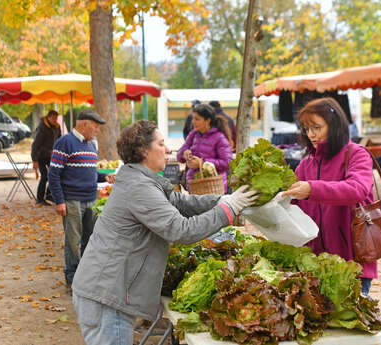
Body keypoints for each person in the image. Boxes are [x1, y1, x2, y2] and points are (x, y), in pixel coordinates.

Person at [71, 120, 259, 345]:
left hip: (106, 289)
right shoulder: (139, 187)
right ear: (143, 150)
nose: (168, 150)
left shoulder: (141, 179)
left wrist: (223, 199)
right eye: (161, 144)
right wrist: (228, 209)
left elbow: (181, 202)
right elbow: (181, 230)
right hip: (106, 296)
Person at [281, 97, 377, 295]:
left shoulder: (357, 154)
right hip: (316, 266)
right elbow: (291, 209)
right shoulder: (305, 165)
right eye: (307, 129)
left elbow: (357, 189)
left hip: (353, 263)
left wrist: (312, 190)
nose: (311, 135)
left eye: (317, 127)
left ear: (334, 126)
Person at [48, 109, 109, 290]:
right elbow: (54, 174)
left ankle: (87, 275)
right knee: (73, 241)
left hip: (91, 200)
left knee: (90, 239)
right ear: (83, 124)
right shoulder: (64, 143)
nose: (97, 130)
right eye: (95, 127)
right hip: (72, 201)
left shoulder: (91, 145)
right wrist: (59, 201)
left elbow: (89, 172)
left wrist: (105, 177)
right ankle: (72, 278)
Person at [177, 104, 233, 191]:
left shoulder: (219, 138)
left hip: (214, 189)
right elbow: (179, 156)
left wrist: (202, 163)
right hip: (195, 187)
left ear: (207, 121)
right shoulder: (193, 134)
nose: (193, 122)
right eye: (193, 118)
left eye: (197, 119)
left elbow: (227, 163)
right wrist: (184, 153)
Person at [31, 110, 61, 206]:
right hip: (41, 156)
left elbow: (59, 139)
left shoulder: (57, 127)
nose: (55, 120)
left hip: (52, 155)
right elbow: (35, 144)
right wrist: (34, 160)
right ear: (49, 117)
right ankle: (39, 199)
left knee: (54, 175)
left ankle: (49, 194)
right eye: (53, 118)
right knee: (44, 176)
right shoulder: (42, 128)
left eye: (56, 118)